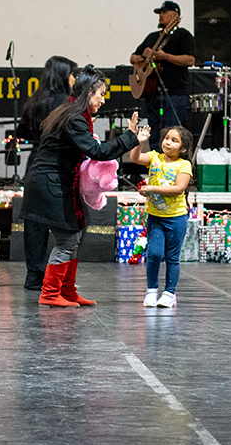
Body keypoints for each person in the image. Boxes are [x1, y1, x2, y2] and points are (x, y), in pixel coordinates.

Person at [22, 65, 148, 308]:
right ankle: (49, 293)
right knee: (68, 239)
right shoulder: (74, 119)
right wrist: (131, 137)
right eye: (100, 94)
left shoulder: (71, 113)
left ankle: (66, 291)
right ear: (88, 93)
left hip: (54, 182)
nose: (103, 100)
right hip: (49, 184)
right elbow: (97, 152)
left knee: (74, 236)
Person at [15, 55, 77, 291]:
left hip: (34, 163)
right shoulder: (63, 102)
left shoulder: (35, 100)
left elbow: (23, 131)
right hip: (55, 164)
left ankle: (34, 275)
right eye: (71, 74)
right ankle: (56, 277)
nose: (73, 78)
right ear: (63, 74)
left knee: (34, 221)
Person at [127, 125, 194, 309]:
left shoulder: (184, 165)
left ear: (184, 148)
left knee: (172, 257)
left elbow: (178, 189)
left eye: (174, 141)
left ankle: (169, 293)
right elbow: (135, 157)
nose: (168, 142)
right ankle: (151, 291)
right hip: (155, 217)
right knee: (154, 254)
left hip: (176, 218)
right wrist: (139, 143)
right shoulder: (154, 157)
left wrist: (152, 189)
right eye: (167, 138)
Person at [129, 0, 195, 147]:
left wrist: (166, 57)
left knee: (173, 134)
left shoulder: (183, 36)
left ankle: (174, 168)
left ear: (175, 15)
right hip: (152, 93)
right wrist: (141, 58)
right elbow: (133, 57)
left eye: (164, 12)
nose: (161, 16)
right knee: (153, 135)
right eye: (160, 13)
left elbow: (190, 59)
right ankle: (156, 166)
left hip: (174, 92)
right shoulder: (152, 37)